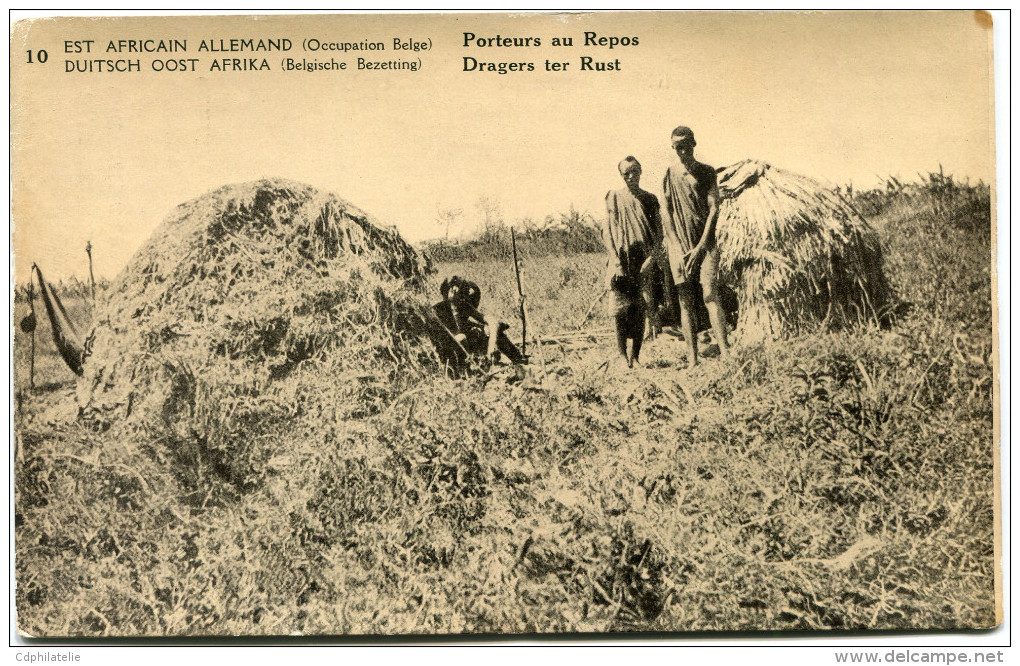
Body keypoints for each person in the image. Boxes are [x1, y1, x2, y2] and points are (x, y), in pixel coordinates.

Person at [661, 126, 730, 366]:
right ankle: (692, 359)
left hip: (705, 245)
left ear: (694, 143)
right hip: (680, 248)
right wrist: (676, 246)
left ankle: (726, 353)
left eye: (685, 145)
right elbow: (666, 213)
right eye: (676, 146)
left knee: (710, 294)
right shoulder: (670, 174)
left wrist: (701, 246)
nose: (681, 150)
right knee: (685, 300)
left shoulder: (707, 172)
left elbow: (714, 209)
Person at [603, 156, 670, 368]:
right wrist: (615, 261)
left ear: (640, 171)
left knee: (640, 309)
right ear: (621, 176)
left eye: (634, 171)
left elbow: (659, 234)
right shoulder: (614, 198)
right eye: (626, 173)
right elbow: (608, 232)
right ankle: (622, 357)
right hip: (621, 260)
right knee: (620, 311)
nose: (631, 177)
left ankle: (636, 357)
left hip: (643, 260)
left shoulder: (650, 199)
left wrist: (651, 259)